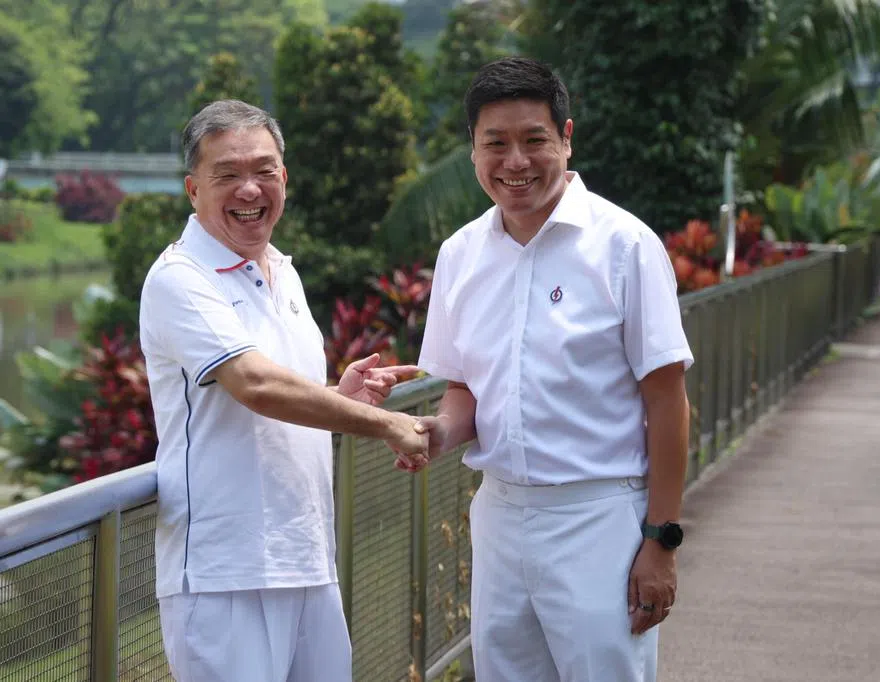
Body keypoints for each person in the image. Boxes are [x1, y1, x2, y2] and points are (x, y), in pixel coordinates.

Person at [409, 58, 694, 681]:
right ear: (473, 148)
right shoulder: (460, 254)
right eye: (495, 143)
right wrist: (436, 433)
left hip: (600, 516)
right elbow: (463, 389)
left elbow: (668, 400)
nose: (515, 161)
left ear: (566, 138)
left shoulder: (625, 245)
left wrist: (661, 540)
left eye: (533, 140)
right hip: (500, 515)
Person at [139, 99, 428, 682]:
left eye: (264, 171)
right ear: (193, 190)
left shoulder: (281, 270)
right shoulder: (180, 278)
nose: (250, 189)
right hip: (225, 576)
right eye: (227, 174)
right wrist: (389, 424)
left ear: (284, 179)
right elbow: (255, 384)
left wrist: (340, 399)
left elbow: (276, 395)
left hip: (307, 560)